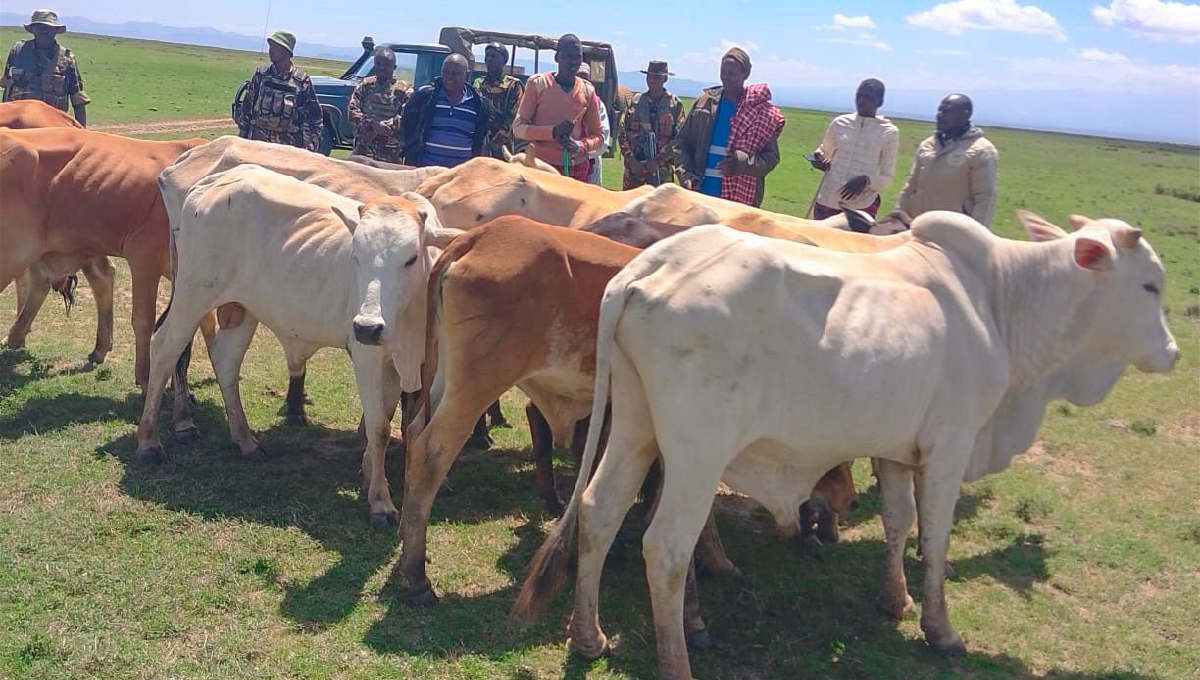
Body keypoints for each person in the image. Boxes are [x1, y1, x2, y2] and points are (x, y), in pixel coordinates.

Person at [676, 47, 784, 207]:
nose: (726, 77)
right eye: (723, 72)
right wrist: (686, 176)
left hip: (740, 200)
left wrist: (741, 162)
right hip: (701, 195)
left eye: (732, 73)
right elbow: (682, 143)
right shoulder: (703, 104)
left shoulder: (760, 112)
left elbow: (770, 158)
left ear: (745, 74)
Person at [897, 93, 998, 228]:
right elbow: (911, 186)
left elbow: (985, 199)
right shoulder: (928, 145)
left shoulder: (982, 151)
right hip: (917, 228)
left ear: (966, 115)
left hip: (952, 235)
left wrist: (974, 238)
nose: (940, 115)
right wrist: (899, 216)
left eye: (947, 111)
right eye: (939, 110)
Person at [512, 34, 604, 181]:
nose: (573, 61)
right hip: (540, 167)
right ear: (557, 57)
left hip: (575, 170)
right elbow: (518, 129)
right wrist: (553, 132)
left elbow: (599, 136)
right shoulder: (538, 84)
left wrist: (579, 146)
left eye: (577, 57)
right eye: (567, 56)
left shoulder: (587, 91)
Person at [810, 78, 898, 224]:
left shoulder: (888, 132)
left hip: (861, 206)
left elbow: (887, 179)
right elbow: (823, 151)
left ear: (880, 102)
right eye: (859, 95)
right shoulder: (840, 123)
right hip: (827, 200)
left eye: (869, 97)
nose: (862, 101)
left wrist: (866, 180)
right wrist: (819, 159)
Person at [237, 30, 323, 151]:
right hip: (257, 143)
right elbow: (247, 107)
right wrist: (243, 134)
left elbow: (315, 117)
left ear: (286, 51)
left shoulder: (301, 81)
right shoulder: (261, 75)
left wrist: (311, 144)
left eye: (275, 47)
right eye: (270, 47)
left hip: (287, 147)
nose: (270, 51)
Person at [1, 10, 89, 126]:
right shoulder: (17, 52)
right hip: (17, 126)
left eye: (49, 27)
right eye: (39, 26)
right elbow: (7, 88)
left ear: (56, 30)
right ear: (32, 29)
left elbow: (78, 99)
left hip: (51, 128)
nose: (44, 30)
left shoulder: (67, 59)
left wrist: (82, 132)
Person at [400, 53, 487, 167]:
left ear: (467, 75)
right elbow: (406, 125)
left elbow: (481, 137)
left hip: (459, 176)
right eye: (446, 72)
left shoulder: (477, 103)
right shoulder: (426, 96)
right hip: (424, 170)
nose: (449, 77)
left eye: (455, 73)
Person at [618, 60, 684, 189]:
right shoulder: (636, 102)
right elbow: (622, 132)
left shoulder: (675, 105)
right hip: (634, 170)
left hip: (661, 170)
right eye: (649, 76)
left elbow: (679, 139)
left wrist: (657, 160)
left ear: (665, 79)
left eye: (656, 77)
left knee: (660, 207)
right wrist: (632, 160)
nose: (651, 80)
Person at [348, 46, 411, 163]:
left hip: (390, 153)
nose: (382, 68)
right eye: (378, 64)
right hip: (363, 149)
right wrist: (371, 124)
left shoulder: (404, 91)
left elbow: (407, 117)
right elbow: (352, 111)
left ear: (394, 67)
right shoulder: (365, 86)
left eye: (386, 65)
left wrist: (383, 126)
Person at [472, 42, 525, 160]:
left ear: (504, 60)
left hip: (503, 146)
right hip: (479, 140)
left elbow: (513, 117)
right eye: (487, 56)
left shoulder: (513, 85)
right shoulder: (478, 83)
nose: (489, 59)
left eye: (494, 56)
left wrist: (493, 144)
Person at [576, 62, 610, 185]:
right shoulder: (562, 100)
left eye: (584, 78)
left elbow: (603, 140)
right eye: (577, 77)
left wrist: (579, 149)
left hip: (590, 163)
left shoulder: (597, 104)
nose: (580, 82)